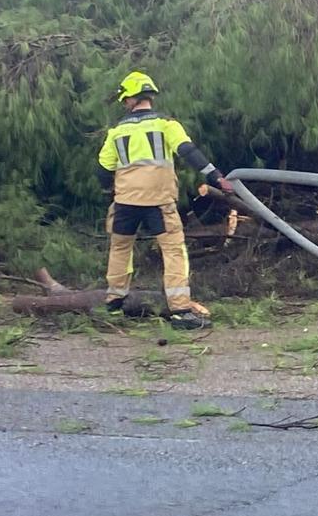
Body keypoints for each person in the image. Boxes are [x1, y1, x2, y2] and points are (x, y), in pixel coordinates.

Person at [98, 71, 233, 331]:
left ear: (132, 98)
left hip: (125, 202)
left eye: (125, 99)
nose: (125, 104)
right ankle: (181, 312)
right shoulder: (166, 124)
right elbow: (188, 152)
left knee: (120, 248)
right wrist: (216, 176)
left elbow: (104, 169)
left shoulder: (116, 132)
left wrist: (110, 193)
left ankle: (114, 303)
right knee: (173, 251)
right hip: (159, 202)